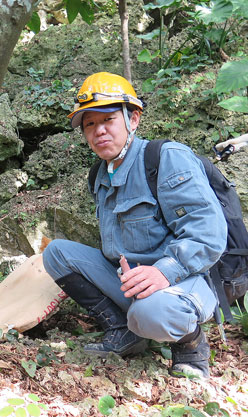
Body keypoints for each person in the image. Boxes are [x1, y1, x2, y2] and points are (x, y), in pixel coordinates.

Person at [42, 72, 227, 378]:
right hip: (133, 280)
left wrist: (163, 271)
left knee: (149, 313)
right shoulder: (98, 175)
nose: (98, 131)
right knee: (57, 253)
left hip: (184, 280)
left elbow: (208, 235)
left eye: (108, 120)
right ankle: (124, 330)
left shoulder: (165, 159)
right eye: (89, 124)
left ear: (134, 119)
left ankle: (190, 345)